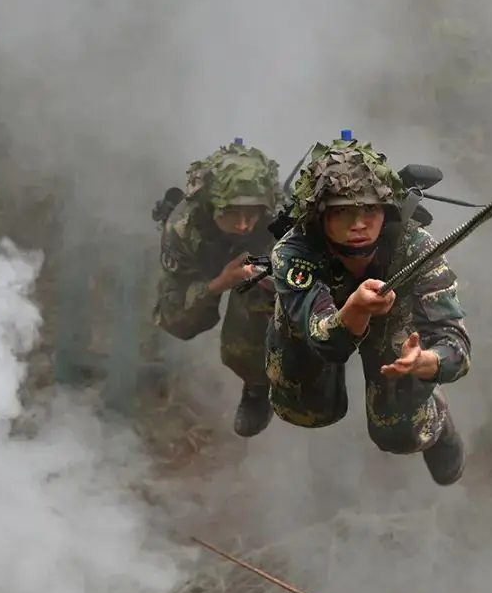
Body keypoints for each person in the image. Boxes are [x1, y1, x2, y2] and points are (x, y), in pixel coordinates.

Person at [265, 133, 471, 485]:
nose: (358, 224)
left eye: (370, 209)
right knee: (304, 410)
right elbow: (327, 340)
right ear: (320, 217)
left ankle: (438, 422)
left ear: (386, 210)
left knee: (399, 432)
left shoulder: (415, 247)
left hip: (395, 317)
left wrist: (426, 363)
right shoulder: (295, 251)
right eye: (343, 212)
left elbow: (456, 345)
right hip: (322, 322)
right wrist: (354, 310)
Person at [153, 138, 281, 437]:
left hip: (258, 279)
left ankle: (258, 386)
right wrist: (220, 283)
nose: (244, 225)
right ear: (212, 206)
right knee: (177, 319)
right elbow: (176, 300)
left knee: (251, 313)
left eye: (253, 214)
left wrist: (275, 281)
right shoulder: (183, 227)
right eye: (233, 214)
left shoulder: (281, 221)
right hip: (207, 270)